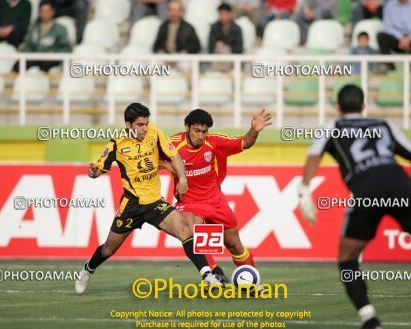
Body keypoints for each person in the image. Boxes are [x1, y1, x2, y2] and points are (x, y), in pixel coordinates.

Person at [299, 84, 411, 329]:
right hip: (401, 187)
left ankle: (370, 321)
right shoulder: (384, 124)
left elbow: (314, 155)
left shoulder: (331, 126)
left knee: (347, 258)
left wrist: (305, 188)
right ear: (364, 106)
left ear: (338, 108)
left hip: (367, 191)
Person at [75, 103, 223, 294]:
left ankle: (207, 275)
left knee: (185, 230)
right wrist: (93, 172)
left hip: (155, 203)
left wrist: (183, 178)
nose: (145, 128)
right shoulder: (117, 143)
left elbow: (174, 155)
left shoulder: (154, 132)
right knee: (109, 249)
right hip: (132, 205)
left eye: (146, 123)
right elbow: (98, 169)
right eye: (140, 125)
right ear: (128, 125)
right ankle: (88, 268)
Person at [159, 108, 272, 283]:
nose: (201, 136)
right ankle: (214, 273)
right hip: (189, 202)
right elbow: (148, 159)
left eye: (204, 132)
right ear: (187, 127)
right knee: (191, 232)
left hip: (215, 200)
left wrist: (254, 131)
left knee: (235, 246)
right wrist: (165, 165)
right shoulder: (172, 144)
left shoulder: (214, 142)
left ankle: (252, 281)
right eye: (196, 131)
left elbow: (245, 142)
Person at [12, 1, 72, 73]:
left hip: (50, 58)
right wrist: (29, 53)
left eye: (47, 11)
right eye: (42, 11)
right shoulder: (33, 27)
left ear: (53, 12)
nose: (44, 14)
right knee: (18, 65)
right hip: (35, 56)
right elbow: (28, 44)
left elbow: (66, 48)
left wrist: (54, 53)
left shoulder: (59, 29)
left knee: (45, 66)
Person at [377, 0, 411, 71]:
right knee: (381, 36)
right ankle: (390, 65)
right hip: (396, 39)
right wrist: (401, 38)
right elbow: (388, 26)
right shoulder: (389, 5)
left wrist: (409, 39)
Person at [153, 1, 200, 72]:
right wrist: (163, 55)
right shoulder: (163, 26)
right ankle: (157, 83)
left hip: (181, 58)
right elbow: (156, 46)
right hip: (166, 57)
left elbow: (196, 46)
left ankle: (186, 83)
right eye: (171, 10)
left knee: (186, 66)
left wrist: (183, 53)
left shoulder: (188, 27)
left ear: (181, 12)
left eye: (175, 10)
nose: (173, 13)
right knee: (154, 65)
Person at [209, 3, 243, 71]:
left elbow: (239, 49)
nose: (223, 17)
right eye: (221, 14)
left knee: (224, 50)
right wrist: (218, 46)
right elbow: (210, 47)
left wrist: (226, 46)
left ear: (230, 14)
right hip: (217, 58)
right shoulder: (214, 28)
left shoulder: (237, 29)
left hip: (232, 59)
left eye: (225, 14)